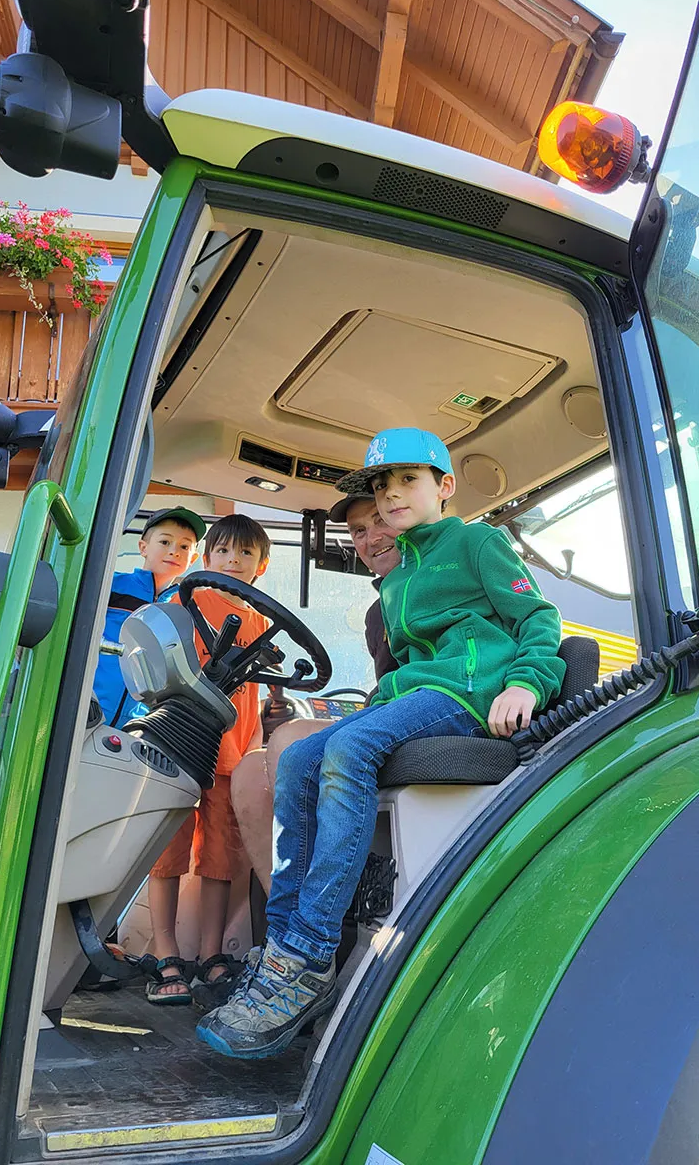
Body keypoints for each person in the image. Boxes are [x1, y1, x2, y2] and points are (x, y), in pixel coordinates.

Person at [197, 428, 565, 1059]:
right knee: (299, 759)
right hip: (413, 696)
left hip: (468, 695)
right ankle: (283, 950)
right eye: (382, 486)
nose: (392, 495)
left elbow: (538, 618)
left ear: (444, 487)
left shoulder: (476, 542)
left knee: (346, 752)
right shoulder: (395, 581)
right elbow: (406, 666)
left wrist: (525, 684)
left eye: (408, 481)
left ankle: (310, 955)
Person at [230, 492, 400, 895]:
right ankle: (284, 917)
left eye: (381, 521)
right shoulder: (378, 611)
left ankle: (313, 920)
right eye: (359, 530)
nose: (371, 537)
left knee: (289, 741)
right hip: (384, 712)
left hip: (427, 714)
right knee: (251, 771)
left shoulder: (442, 581)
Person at [144, 514, 271, 1006]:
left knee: (221, 857)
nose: (232, 561)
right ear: (206, 558)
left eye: (244, 554)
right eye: (222, 551)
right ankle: (164, 950)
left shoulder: (261, 621)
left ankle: (212, 953)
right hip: (181, 746)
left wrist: (254, 750)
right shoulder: (187, 600)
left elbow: (256, 693)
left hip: (232, 755)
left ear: (262, 565)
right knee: (168, 849)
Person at [93, 506, 205, 727]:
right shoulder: (111, 585)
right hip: (89, 706)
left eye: (184, 546)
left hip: (135, 722)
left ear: (192, 559)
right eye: (165, 542)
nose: (174, 551)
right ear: (143, 548)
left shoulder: (181, 608)